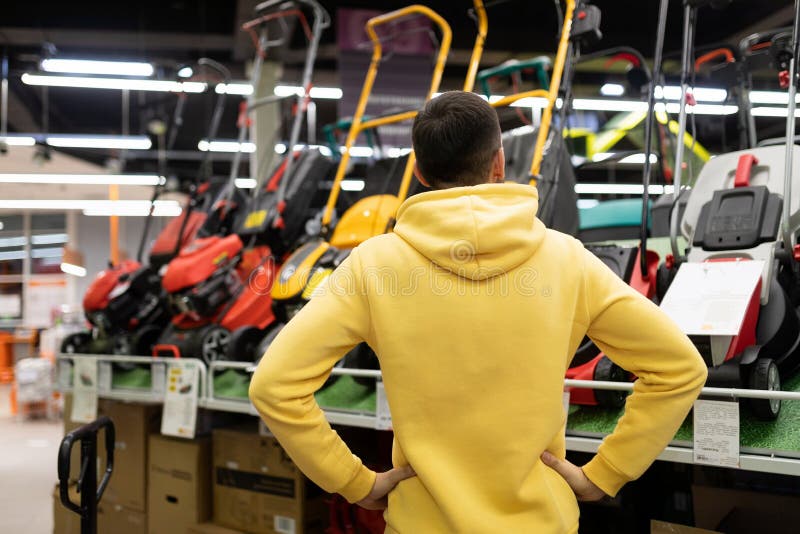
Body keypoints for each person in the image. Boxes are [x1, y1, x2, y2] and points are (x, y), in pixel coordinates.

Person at [249, 90, 707, 533]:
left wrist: (355, 482)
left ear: (419, 171)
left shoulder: (374, 265)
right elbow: (679, 369)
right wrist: (605, 473)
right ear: (499, 163)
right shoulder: (566, 259)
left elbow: (274, 387)